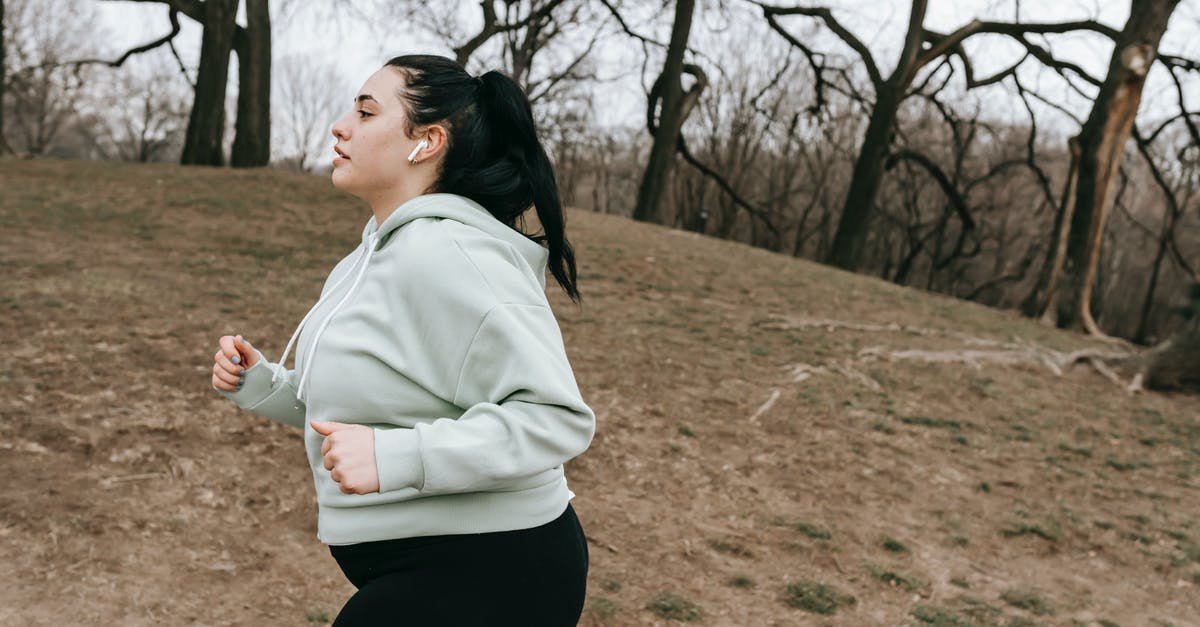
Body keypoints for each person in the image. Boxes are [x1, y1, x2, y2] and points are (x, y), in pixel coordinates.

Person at [209, 54, 595, 626]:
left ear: (428, 141)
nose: (340, 126)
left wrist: (396, 457)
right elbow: (371, 409)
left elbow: (555, 418)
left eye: (366, 113)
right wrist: (262, 384)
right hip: (425, 561)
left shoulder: (454, 255)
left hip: (495, 566)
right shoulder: (374, 253)